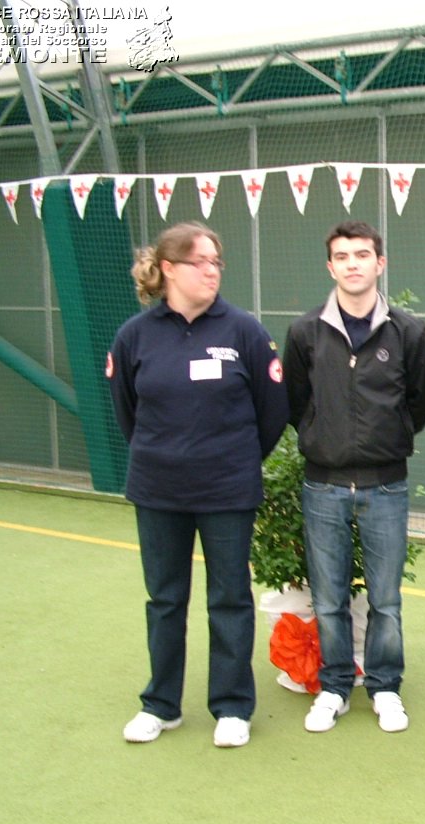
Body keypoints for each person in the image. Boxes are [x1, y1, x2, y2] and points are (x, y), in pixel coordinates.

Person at [109, 222, 288, 749]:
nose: (212, 270)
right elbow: (127, 412)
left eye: (217, 261)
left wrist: (232, 460)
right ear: (169, 269)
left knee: (229, 598)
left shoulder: (244, 331)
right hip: (157, 489)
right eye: (200, 261)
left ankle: (232, 707)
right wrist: (164, 454)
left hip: (227, 491)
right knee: (165, 598)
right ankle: (160, 705)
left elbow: (272, 412)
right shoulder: (134, 335)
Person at [282, 221, 425, 734]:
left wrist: (386, 439)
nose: (353, 263)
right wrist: (322, 436)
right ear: (330, 266)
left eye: (362, 254)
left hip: (385, 485)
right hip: (322, 485)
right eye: (342, 256)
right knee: (328, 599)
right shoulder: (304, 333)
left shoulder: (408, 331)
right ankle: (333, 686)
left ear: (380, 263)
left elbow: (420, 402)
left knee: (386, 598)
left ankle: (386, 687)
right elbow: (296, 403)